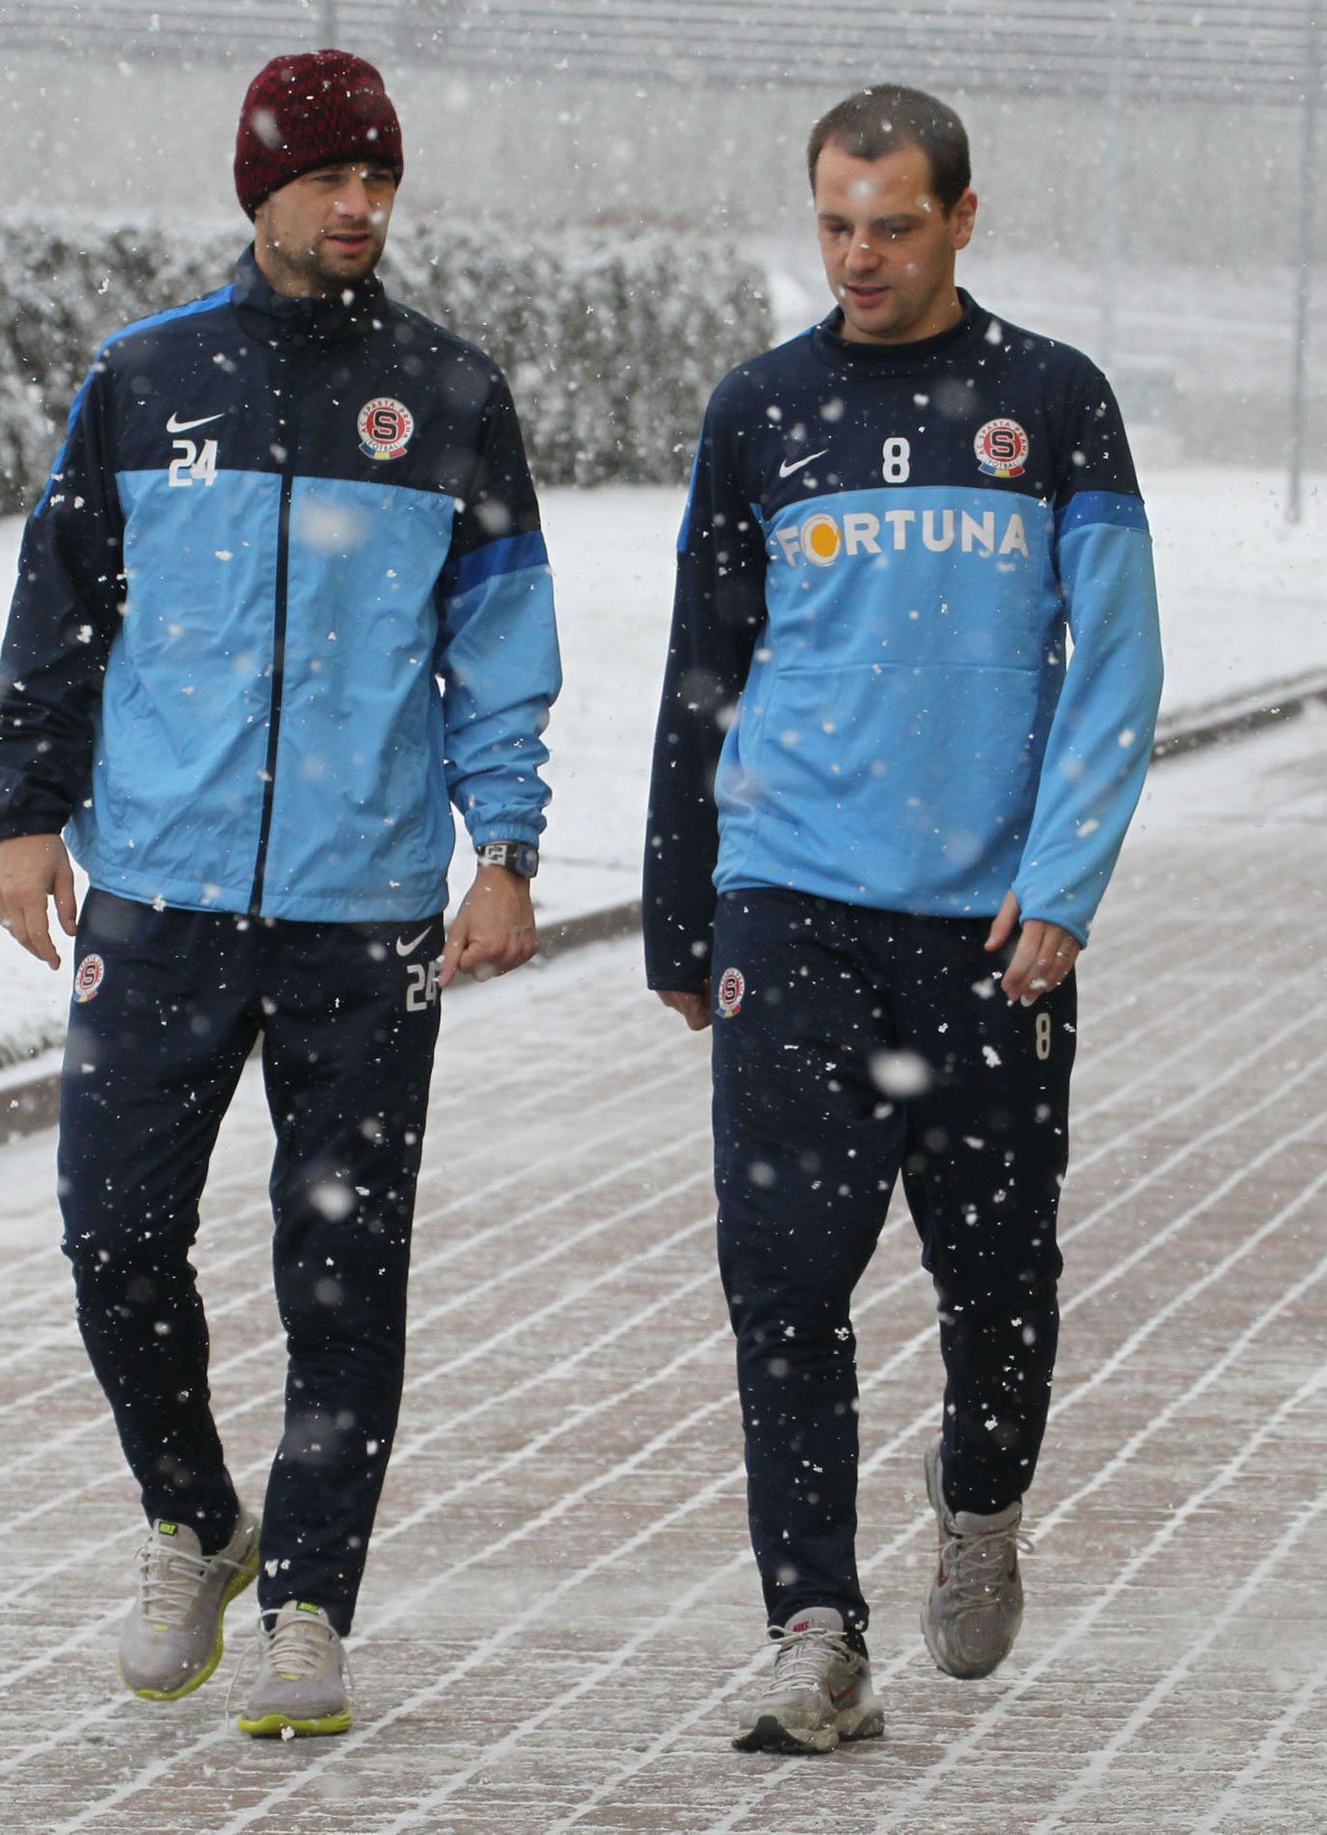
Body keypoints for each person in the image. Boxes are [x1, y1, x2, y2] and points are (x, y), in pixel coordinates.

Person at [0, 49, 560, 1739]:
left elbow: (498, 647)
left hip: (363, 910)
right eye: (325, 178)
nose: (358, 205)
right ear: (261, 189)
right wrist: (30, 815)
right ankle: (193, 1515)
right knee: (112, 1234)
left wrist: (505, 848)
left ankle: (308, 1602)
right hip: (155, 901)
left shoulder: (449, 393)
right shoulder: (145, 375)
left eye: (377, 177)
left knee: (343, 1268)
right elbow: (61, 603)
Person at [643, 83, 1162, 1754]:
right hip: (792, 907)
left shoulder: (1050, 404)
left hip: (986, 932)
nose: (857, 258)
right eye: (833, 225)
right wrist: (680, 899)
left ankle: (986, 1493)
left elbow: (1121, 665)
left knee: (996, 1282)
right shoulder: (764, 409)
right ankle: (816, 1629)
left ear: (958, 218)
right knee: (781, 1280)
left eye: (891, 224)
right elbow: (705, 664)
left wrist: (1063, 885)